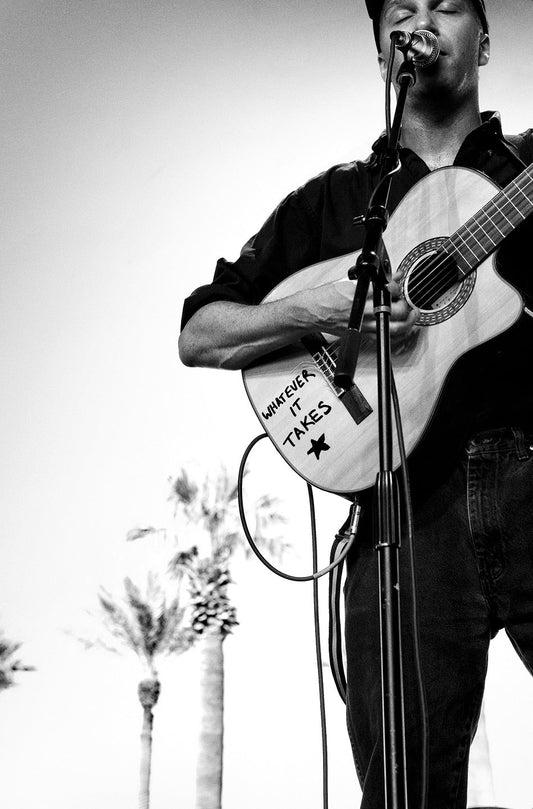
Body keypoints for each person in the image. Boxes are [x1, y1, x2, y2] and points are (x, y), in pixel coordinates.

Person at [179, 1, 533, 806]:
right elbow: (202, 331)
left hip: (531, 468)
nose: (420, 19)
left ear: (485, 36)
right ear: (380, 49)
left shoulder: (526, 167)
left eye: (446, 4)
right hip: (403, 514)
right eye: (399, 9)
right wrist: (314, 309)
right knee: (402, 789)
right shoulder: (336, 200)